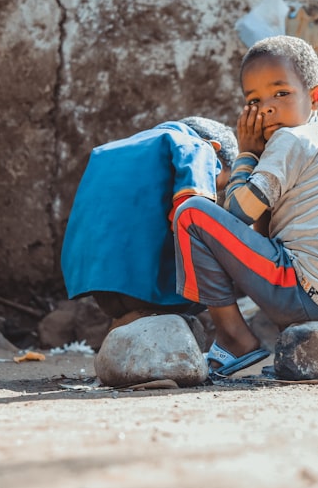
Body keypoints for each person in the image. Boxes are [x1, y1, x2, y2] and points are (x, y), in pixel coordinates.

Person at [173, 35, 318, 377]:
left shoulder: (290, 140)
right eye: (254, 99)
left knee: (191, 214)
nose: (267, 107)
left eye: (281, 93)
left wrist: (245, 155)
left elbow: (239, 213)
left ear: (314, 98)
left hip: (307, 290)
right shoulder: (317, 143)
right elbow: (263, 230)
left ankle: (235, 339)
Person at [61, 117, 238, 329]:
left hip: (100, 291)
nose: (215, 191)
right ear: (215, 150)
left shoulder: (107, 152)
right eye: (217, 184)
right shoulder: (197, 147)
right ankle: (234, 337)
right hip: (152, 291)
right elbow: (193, 221)